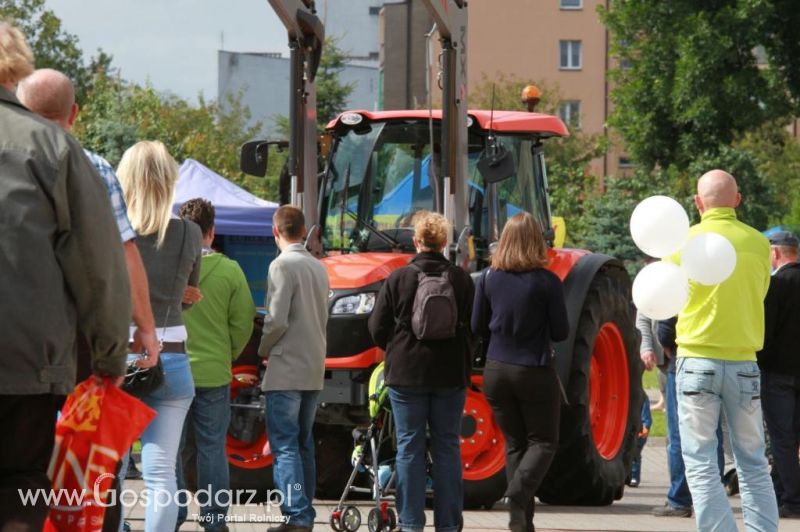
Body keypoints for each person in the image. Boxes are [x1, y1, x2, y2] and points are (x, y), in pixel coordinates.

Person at [0, 21, 130, 531]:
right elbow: (99, 265)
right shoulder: (52, 147)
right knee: (22, 486)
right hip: (28, 365)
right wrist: (108, 356)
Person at [16, 69, 160, 361]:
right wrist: (145, 325)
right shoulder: (94, 168)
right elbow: (123, 251)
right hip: (68, 336)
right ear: (73, 113)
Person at [669, 169, 778, 531]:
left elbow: (668, 297)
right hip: (744, 361)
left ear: (698, 203)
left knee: (700, 461)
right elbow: (760, 292)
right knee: (753, 461)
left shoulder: (682, 242)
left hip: (696, 358)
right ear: (738, 200)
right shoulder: (759, 244)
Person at [116, 141, 203, 531]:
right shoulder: (190, 233)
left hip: (119, 358)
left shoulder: (111, 232)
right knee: (160, 475)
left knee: (108, 472)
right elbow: (186, 297)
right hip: (173, 358)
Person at [369, 211, 475, 532]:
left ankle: (412, 523)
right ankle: (448, 524)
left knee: (410, 447)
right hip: (450, 375)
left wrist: (397, 346)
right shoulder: (461, 279)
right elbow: (475, 327)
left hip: (406, 374)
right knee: (447, 447)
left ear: (416, 241)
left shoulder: (398, 278)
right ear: (444, 243)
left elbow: (376, 327)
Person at [471, 212, 568, 532]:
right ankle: (517, 493)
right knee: (543, 442)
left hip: (496, 370)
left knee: (515, 444)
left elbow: (476, 326)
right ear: (536, 242)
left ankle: (521, 523)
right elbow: (561, 332)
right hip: (534, 369)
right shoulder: (548, 282)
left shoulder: (487, 278)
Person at [176, 198, 256, 531]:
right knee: (212, 447)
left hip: (173, 369)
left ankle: (173, 515)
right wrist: (228, 354)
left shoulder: (171, 268)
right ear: (212, 231)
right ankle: (214, 520)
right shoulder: (230, 270)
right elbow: (244, 322)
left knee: (172, 450)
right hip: (213, 372)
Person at [259, 205, 329, 532]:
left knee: (285, 444)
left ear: (276, 232)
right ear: (303, 231)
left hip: (286, 367)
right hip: (314, 366)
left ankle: (296, 515)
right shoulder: (319, 268)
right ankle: (304, 512)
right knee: (303, 444)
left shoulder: (281, 266)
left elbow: (275, 320)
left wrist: (263, 349)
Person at [758, 230, 800, 518]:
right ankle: (780, 488)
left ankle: (792, 499)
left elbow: (766, 333)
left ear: (775, 253)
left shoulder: (777, 285)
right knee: (794, 437)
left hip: (779, 373)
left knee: (782, 439)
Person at [629, 395, 652, 488]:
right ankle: (629, 475)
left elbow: (646, 415)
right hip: (629, 430)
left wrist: (646, 426)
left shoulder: (642, 398)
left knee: (635, 454)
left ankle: (634, 476)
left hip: (639, 430)